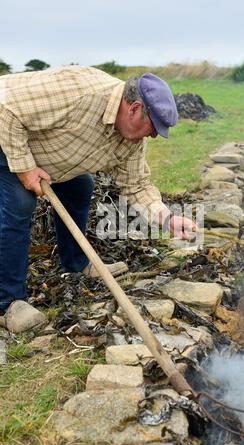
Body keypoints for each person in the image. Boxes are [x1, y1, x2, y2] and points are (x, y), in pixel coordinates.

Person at [0, 66, 196, 333]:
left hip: (46, 154)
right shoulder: (78, 91)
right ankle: (8, 303)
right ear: (134, 108)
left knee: (80, 186)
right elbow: (6, 109)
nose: (152, 136)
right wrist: (24, 168)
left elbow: (136, 185)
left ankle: (77, 265)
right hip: (5, 137)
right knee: (20, 203)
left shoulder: (132, 141)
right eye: (153, 128)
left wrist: (167, 219)